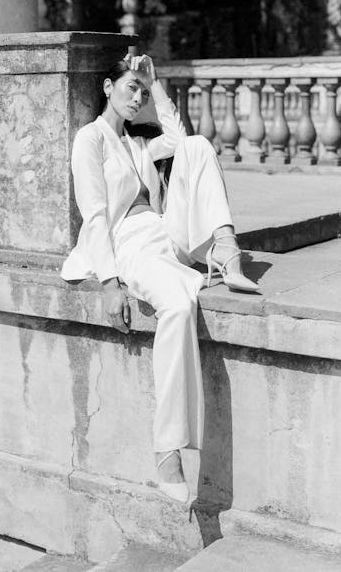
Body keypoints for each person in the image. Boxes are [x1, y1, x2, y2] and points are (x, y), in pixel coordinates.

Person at [61, 54, 257, 503]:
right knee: (178, 305)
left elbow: (177, 137)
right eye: (130, 87)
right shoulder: (89, 140)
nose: (137, 97)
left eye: (141, 92)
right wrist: (111, 283)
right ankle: (167, 447)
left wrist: (157, 82)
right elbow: (93, 213)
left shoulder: (136, 143)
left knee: (198, 146)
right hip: (131, 242)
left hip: (167, 231)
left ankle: (226, 247)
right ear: (107, 87)